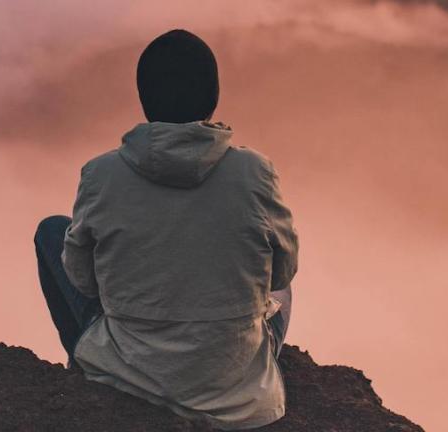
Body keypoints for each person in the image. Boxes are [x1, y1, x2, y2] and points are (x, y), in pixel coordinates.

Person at [33, 28, 298, 430]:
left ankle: (85, 368)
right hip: (236, 388)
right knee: (283, 291)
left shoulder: (101, 173)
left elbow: (84, 282)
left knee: (52, 232)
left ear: (145, 100)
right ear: (213, 99)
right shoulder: (255, 172)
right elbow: (281, 273)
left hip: (129, 370)